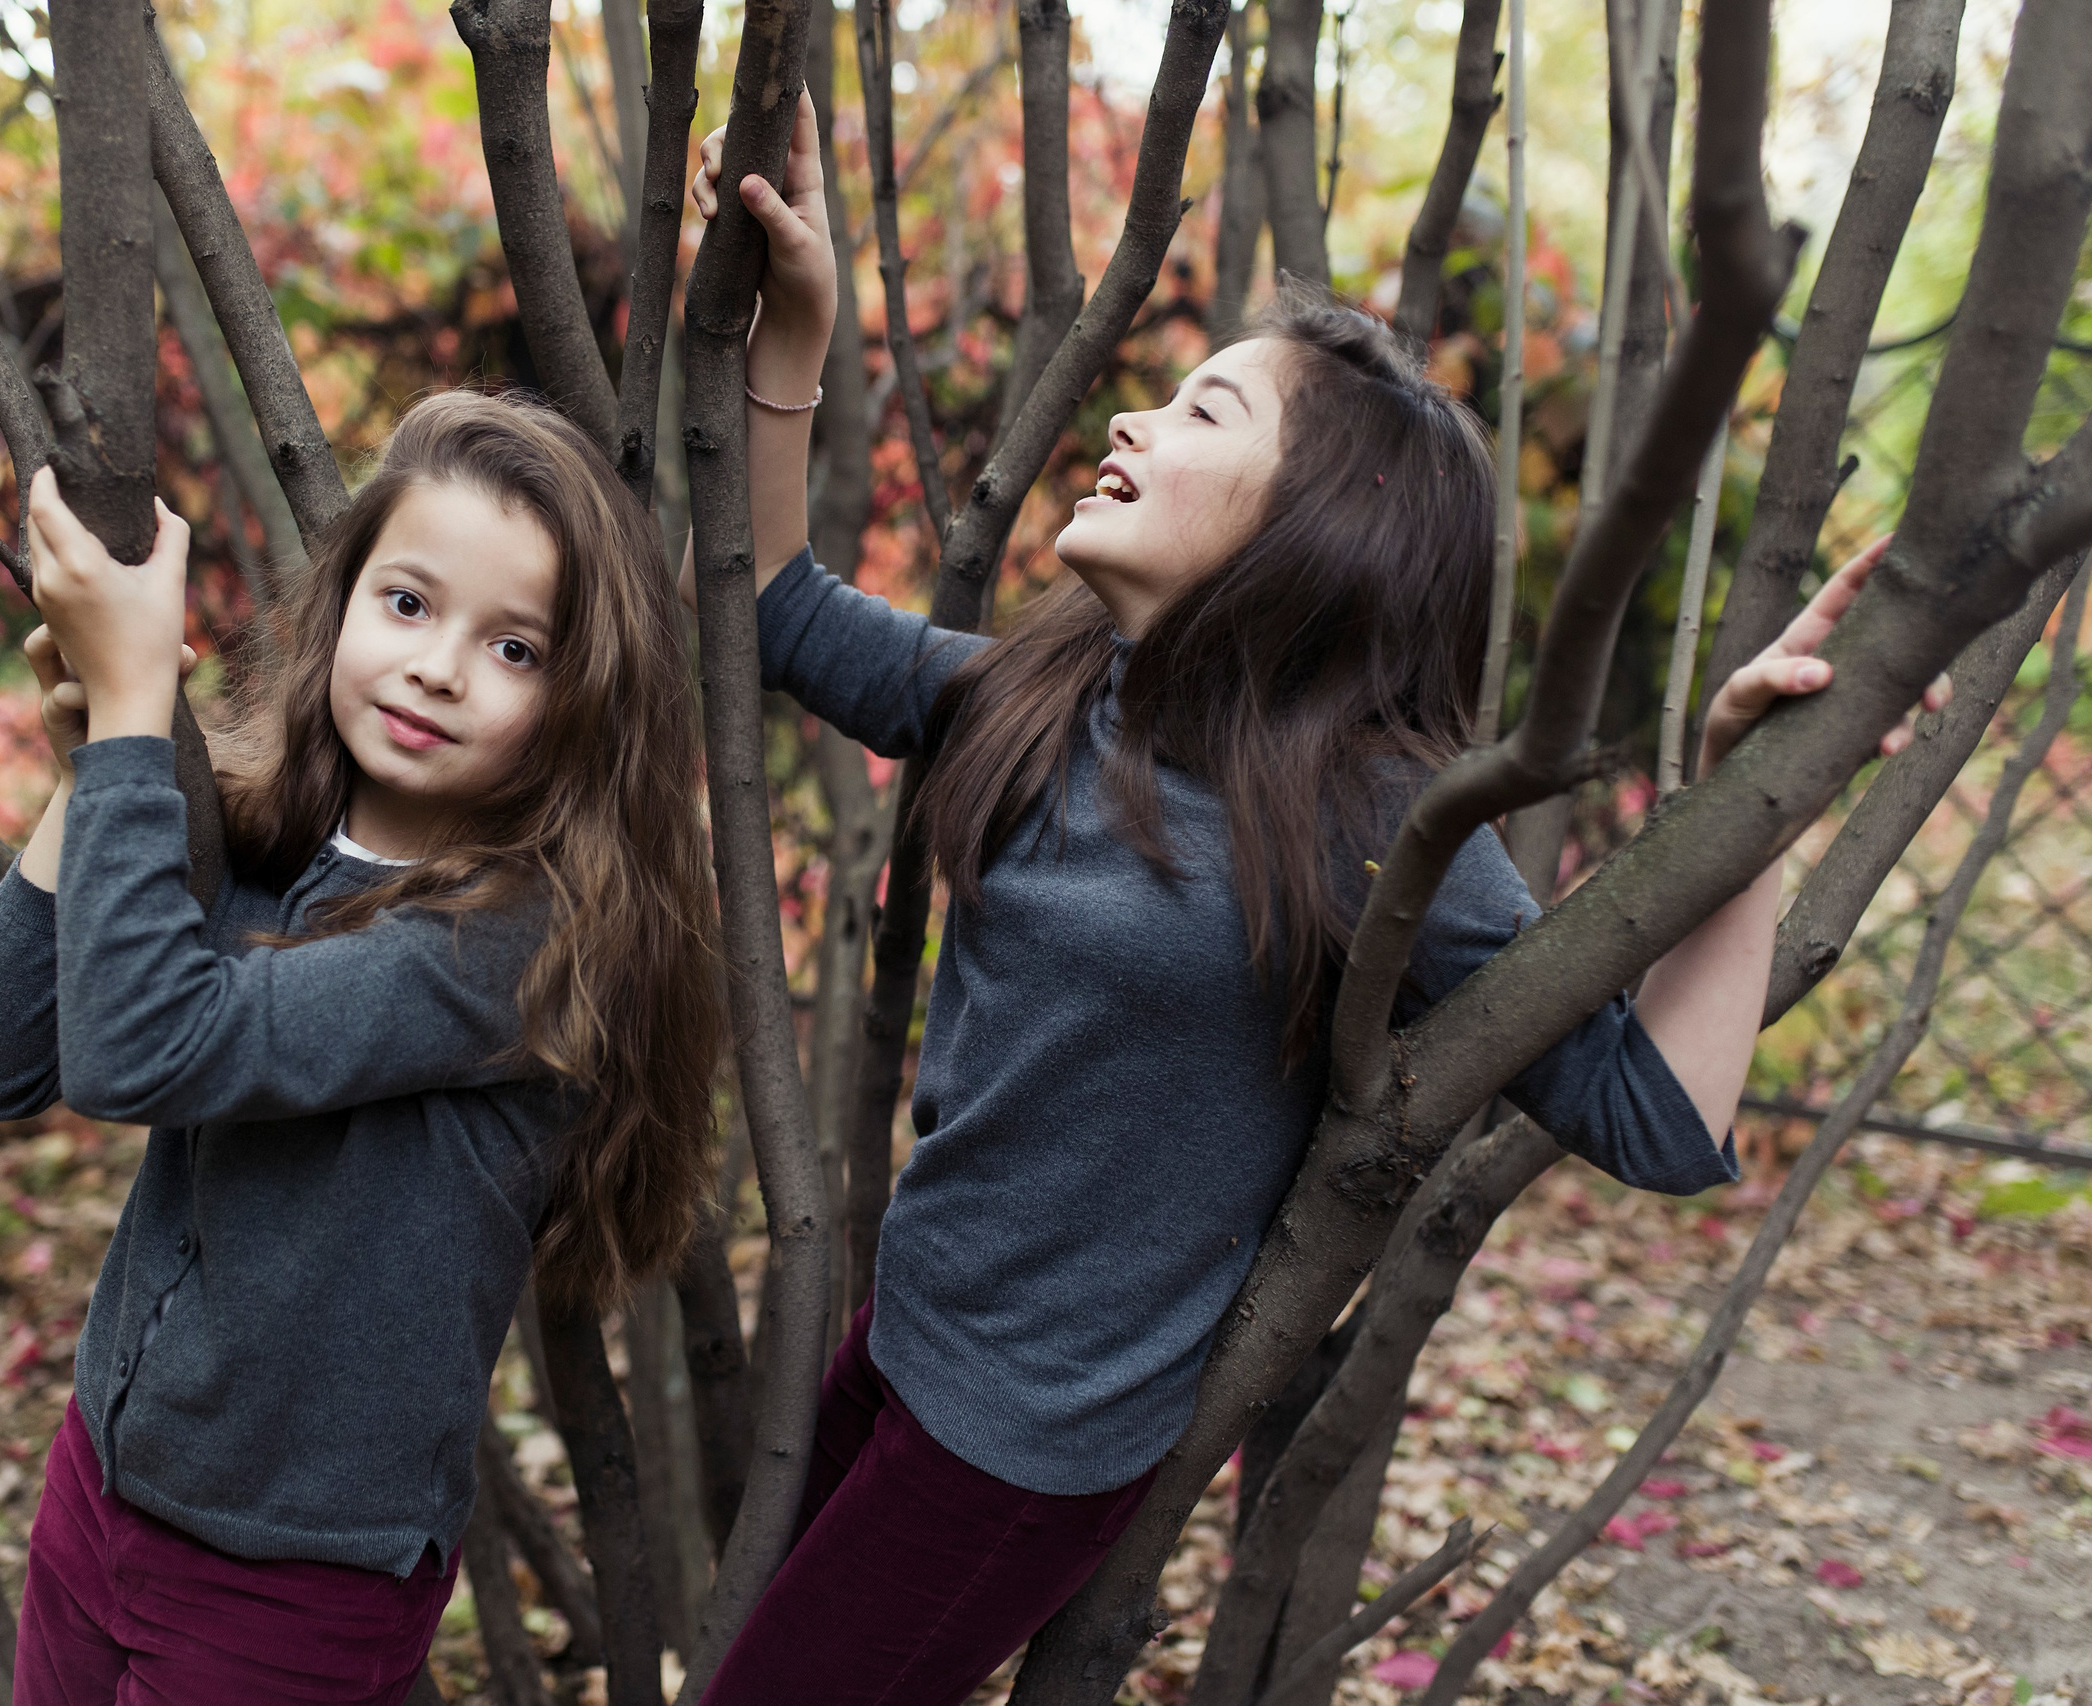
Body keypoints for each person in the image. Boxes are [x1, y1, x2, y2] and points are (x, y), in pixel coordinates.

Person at [685, 100, 1949, 1705]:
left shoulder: (1368, 821)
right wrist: (796, 332)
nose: (1134, 420)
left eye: (1203, 408)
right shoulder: (1045, 693)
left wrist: (1743, 816)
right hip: (905, 1332)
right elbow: (780, 609)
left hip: (1026, 1440)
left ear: (1318, 529)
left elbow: (1654, 1116)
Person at [0, 390, 722, 1705]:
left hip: (292, 1577)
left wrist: (138, 706)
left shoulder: (520, 946)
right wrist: (95, 774)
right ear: (344, 599)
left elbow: (147, 1051)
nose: (436, 665)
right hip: (106, 1480)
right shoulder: (254, 818)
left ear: (586, 702)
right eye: (408, 603)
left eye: (517, 648)